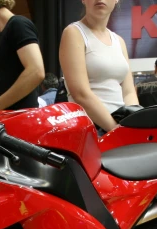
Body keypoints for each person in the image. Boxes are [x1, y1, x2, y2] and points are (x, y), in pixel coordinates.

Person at [59, 0, 138, 133]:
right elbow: (80, 94)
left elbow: (129, 92)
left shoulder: (119, 41)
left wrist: (133, 124)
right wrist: (115, 130)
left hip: (121, 124)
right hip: (92, 126)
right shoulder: (74, 33)